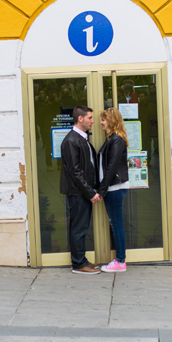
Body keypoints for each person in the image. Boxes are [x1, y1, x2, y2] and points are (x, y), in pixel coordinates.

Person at [60, 105, 102, 275]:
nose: (93, 121)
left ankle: (82, 260)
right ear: (80, 119)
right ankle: (78, 264)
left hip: (82, 192)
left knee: (82, 228)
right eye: (90, 118)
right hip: (78, 193)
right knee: (79, 228)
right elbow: (75, 172)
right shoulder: (71, 141)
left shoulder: (81, 139)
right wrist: (90, 193)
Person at [97, 107, 130, 273]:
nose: (101, 123)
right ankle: (119, 260)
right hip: (113, 188)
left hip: (115, 188)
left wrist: (101, 190)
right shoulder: (113, 139)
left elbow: (111, 168)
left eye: (103, 119)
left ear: (111, 121)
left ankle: (121, 261)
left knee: (116, 225)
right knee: (115, 224)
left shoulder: (116, 140)